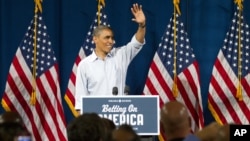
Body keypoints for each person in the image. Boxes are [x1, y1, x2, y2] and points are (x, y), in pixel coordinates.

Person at [75, 3, 146, 114]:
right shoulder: (85, 65)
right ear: (95, 39)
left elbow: (137, 43)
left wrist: (142, 26)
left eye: (112, 38)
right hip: (96, 122)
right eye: (106, 38)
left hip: (119, 119)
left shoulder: (120, 55)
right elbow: (80, 102)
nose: (111, 41)